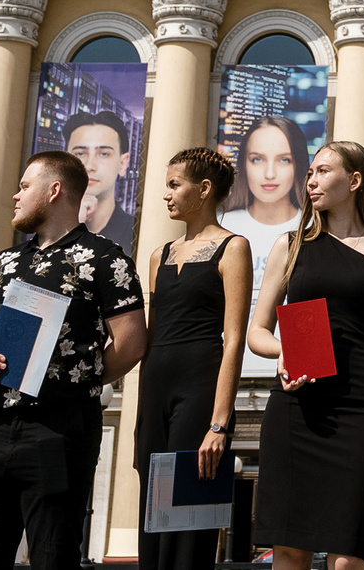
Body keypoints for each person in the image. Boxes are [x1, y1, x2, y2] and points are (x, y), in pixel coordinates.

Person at [0, 151, 148, 570]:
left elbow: (131, 344)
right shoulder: (2, 262)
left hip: (59, 429)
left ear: (54, 190)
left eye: (25, 186)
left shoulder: (105, 258)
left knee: (52, 556)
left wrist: (78, 379)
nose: (15, 195)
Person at [248, 140, 364, 570]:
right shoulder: (290, 245)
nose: (311, 180)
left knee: (348, 556)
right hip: (295, 409)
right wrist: (285, 354)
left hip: (360, 413)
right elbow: (258, 332)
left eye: (322, 171)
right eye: (310, 173)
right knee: (288, 550)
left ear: (354, 181)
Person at [134, 147, 253, 570]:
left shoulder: (234, 247)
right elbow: (148, 337)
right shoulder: (157, 256)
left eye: (174, 185)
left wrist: (220, 422)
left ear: (203, 189)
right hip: (154, 394)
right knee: (152, 519)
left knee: (188, 522)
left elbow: (234, 338)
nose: (166, 195)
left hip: (201, 391)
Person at [222, 117, 311, 379]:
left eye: (284, 159)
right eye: (257, 159)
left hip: (298, 372)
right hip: (224, 371)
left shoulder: (314, 229)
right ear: (244, 164)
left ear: (298, 165)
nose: (269, 173)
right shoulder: (223, 225)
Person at [68, 110, 138, 253]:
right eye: (80, 154)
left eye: (104, 154)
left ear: (123, 163)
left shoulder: (137, 234)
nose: (89, 166)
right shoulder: (43, 231)